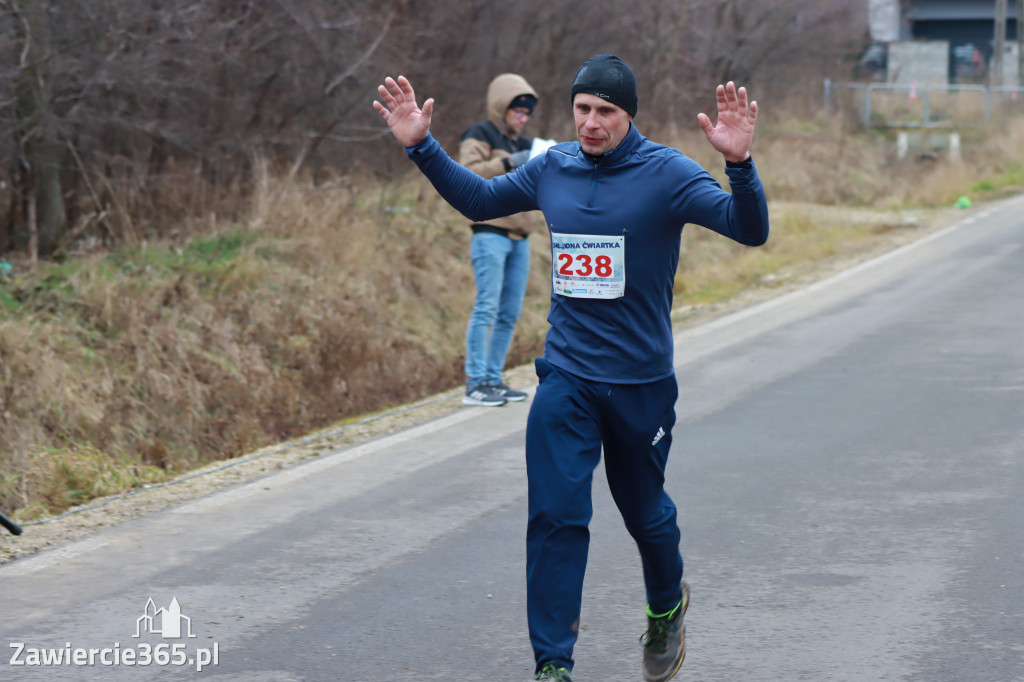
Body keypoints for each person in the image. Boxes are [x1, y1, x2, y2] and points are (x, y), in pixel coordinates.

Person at [373, 54, 769, 682]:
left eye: (605, 112)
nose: (590, 122)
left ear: (628, 115)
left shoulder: (666, 173)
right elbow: (478, 196)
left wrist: (740, 166)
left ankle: (667, 604)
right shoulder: (552, 166)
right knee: (556, 518)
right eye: (582, 109)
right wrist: (423, 148)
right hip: (568, 375)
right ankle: (553, 665)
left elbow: (748, 230)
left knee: (644, 514)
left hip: (639, 383)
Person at [458, 74, 541, 407]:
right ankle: (475, 383)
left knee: (509, 312)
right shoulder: (479, 134)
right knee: (486, 308)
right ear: (501, 106)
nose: (522, 117)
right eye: (518, 111)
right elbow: (467, 173)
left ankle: (493, 378)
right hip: (490, 233)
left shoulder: (525, 144)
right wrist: (508, 162)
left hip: (520, 236)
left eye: (527, 113)